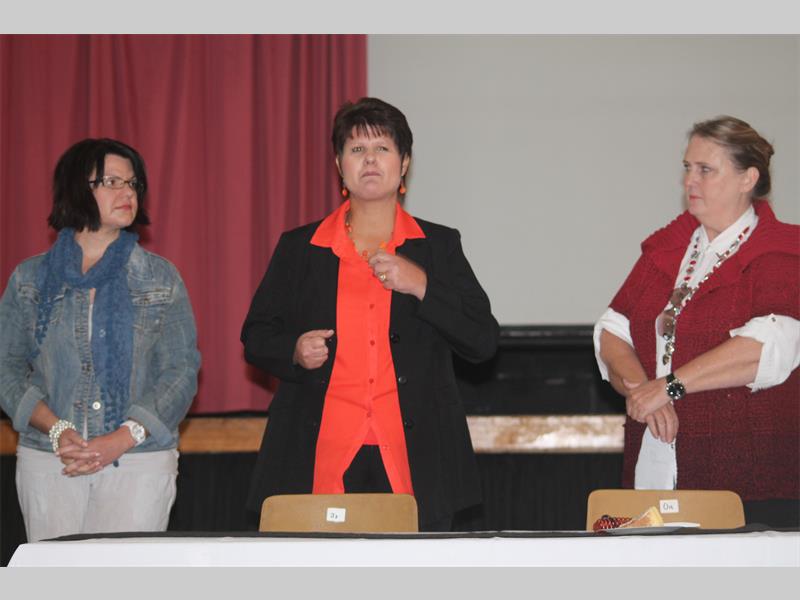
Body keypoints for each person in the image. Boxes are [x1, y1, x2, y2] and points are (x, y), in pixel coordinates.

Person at [241, 97, 499, 531]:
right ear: (339, 165)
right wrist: (294, 350)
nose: (370, 160)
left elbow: (483, 340)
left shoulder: (438, 246)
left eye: (383, 148)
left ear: (404, 164)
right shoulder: (300, 247)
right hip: (319, 446)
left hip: (415, 453)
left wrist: (421, 285)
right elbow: (257, 335)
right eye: (357, 149)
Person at [594, 116, 799, 527]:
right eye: (688, 167)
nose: (690, 180)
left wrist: (668, 387)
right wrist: (641, 392)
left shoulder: (780, 252)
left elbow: (767, 348)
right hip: (656, 466)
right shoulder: (668, 249)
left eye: (706, 169)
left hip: (749, 480)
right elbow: (612, 330)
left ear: (748, 179)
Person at [0, 138, 201, 541]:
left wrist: (120, 439)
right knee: (56, 575)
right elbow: (6, 368)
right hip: (51, 457)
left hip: (138, 459)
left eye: (133, 183)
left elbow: (181, 372)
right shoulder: (29, 278)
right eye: (112, 182)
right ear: (78, 187)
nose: (128, 193)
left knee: (124, 575)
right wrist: (57, 428)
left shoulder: (160, 277)